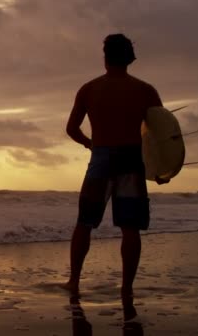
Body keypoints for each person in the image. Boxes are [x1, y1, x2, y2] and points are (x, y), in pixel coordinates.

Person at [63, 34, 165, 321]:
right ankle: (126, 289)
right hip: (133, 160)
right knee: (130, 228)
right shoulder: (145, 90)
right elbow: (160, 133)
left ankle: (74, 281)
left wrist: (89, 143)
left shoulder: (89, 89)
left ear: (105, 57)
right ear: (130, 57)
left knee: (84, 223)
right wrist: (160, 169)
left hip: (102, 158)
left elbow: (71, 128)